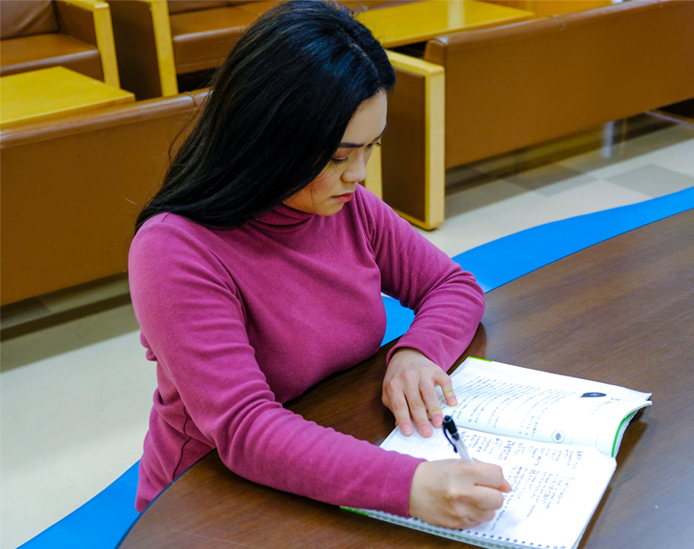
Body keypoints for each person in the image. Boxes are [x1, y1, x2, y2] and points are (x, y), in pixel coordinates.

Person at [128, 0, 510, 529]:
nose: (360, 174)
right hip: (210, 491)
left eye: (370, 147)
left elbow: (452, 285)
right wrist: (409, 486)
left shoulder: (346, 206)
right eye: (337, 156)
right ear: (266, 139)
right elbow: (243, 428)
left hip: (332, 438)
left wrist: (418, 352)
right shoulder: (175, 250)